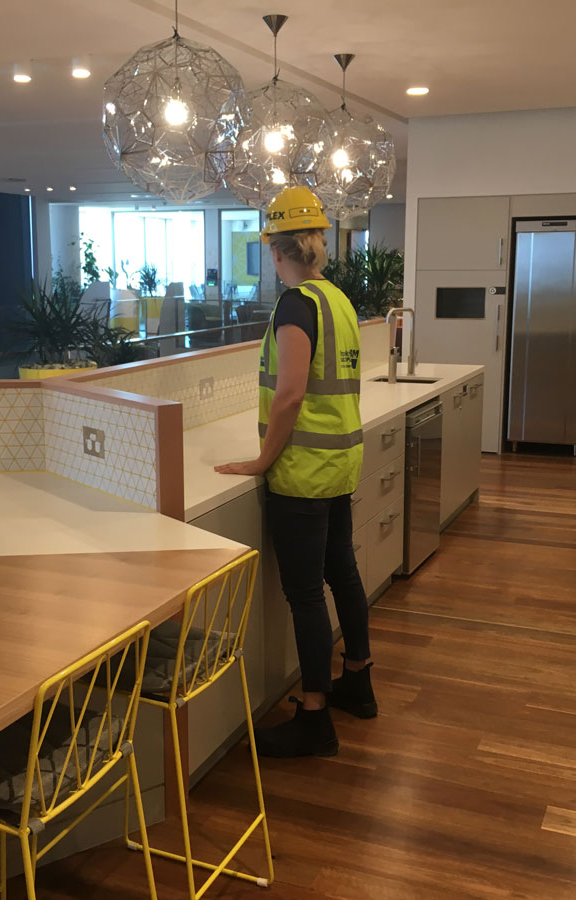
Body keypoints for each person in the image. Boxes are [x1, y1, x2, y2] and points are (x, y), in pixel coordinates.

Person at [215, 185, 376, 758]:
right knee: (343, 575)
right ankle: (357, 683)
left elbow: (289, 394)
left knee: (306, 594)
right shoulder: (337, 299)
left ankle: (314, 717)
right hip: (339, 461)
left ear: (274, 250)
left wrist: (262, 460)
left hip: (303, 470)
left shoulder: (294, 305)